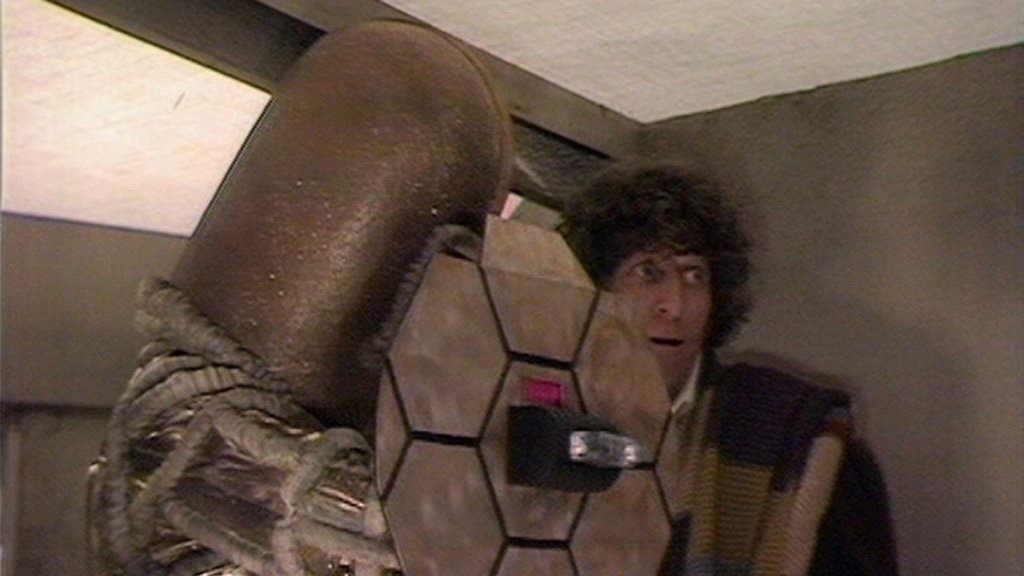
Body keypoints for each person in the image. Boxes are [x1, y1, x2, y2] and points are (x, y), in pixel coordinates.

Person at [559, 163, 899, 576]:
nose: (675, 305)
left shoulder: (802, 440)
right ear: (596, 288)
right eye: (649, 272)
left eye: (694, 276)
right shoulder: (554, 417)